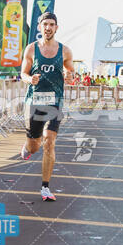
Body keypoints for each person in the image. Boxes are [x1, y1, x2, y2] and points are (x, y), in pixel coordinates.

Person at [20, 12, 74, 201]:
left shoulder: (65, 50)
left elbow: (70, 70)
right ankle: (28, 146)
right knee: (34, 147)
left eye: (52, 24)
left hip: (54, 101)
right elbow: (23, 74)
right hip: (34, 101)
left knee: (49, 142)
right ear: (39, 27)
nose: (48, 28)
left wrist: (69, 75)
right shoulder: (31, 49)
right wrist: (30, 79)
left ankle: (45, 188)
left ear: (57, 28)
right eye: (45, 24)